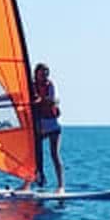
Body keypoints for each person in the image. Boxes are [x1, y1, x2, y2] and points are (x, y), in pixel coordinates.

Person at [32, 62, 65, 194]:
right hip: (39, 126)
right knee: (34, 157)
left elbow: (49, 100)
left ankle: (61, 186)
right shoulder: (31, 86)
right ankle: (29, 183)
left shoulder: (50, 85)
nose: (44, 76)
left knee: (54, 154)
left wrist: (37, 101)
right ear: (36, 74)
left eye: (46, 73)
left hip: (52, 126)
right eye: (42, 74)